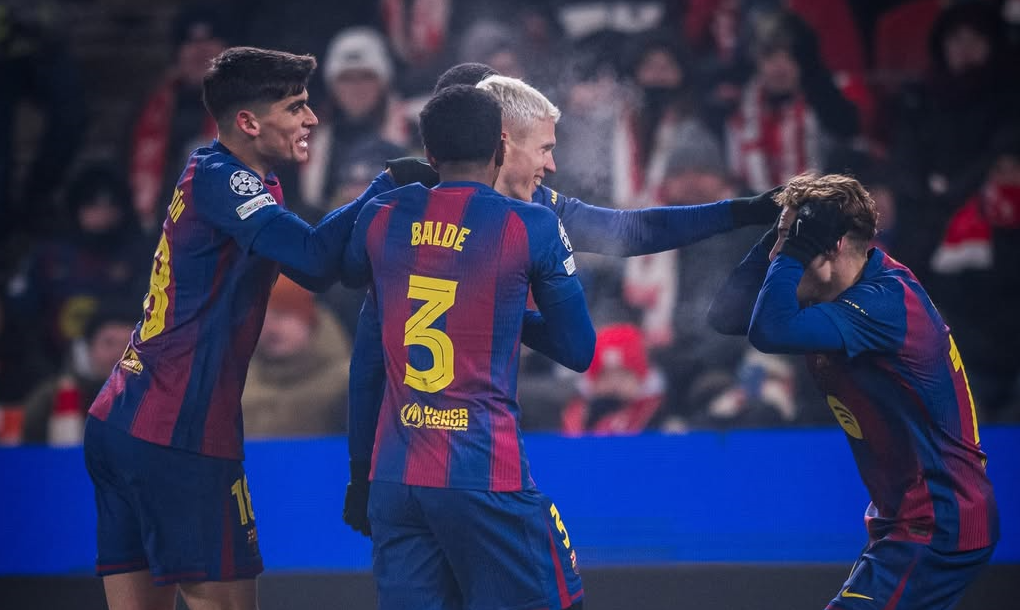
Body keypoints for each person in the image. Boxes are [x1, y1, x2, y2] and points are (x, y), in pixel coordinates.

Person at [82, 46, 385, 610]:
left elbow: (329, 262)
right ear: (248, 122)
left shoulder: (237, 180)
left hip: (124, 418)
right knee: (224, 602)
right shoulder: (226, 180)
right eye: (295, 107)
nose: (311, 118)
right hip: (181, 430)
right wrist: (382, 187)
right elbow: (317, 262)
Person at [342, 84, 595, 610]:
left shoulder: (380, 218)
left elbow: (363, 357)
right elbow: (578, 348)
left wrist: (359, 475)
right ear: (501, 150)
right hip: (484, 474)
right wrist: (499, 313)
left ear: (430, 155)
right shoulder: (532, 226)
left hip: (395, 480)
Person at [708, 172, 998, 610]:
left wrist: (797, 246)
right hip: (909, 517)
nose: (776, 255)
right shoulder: (836, 288)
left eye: (790, 242)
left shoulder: (886, 303)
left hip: (937, 521)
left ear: (833, 247)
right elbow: (728, 315)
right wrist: (781, 232)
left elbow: (770, 329)